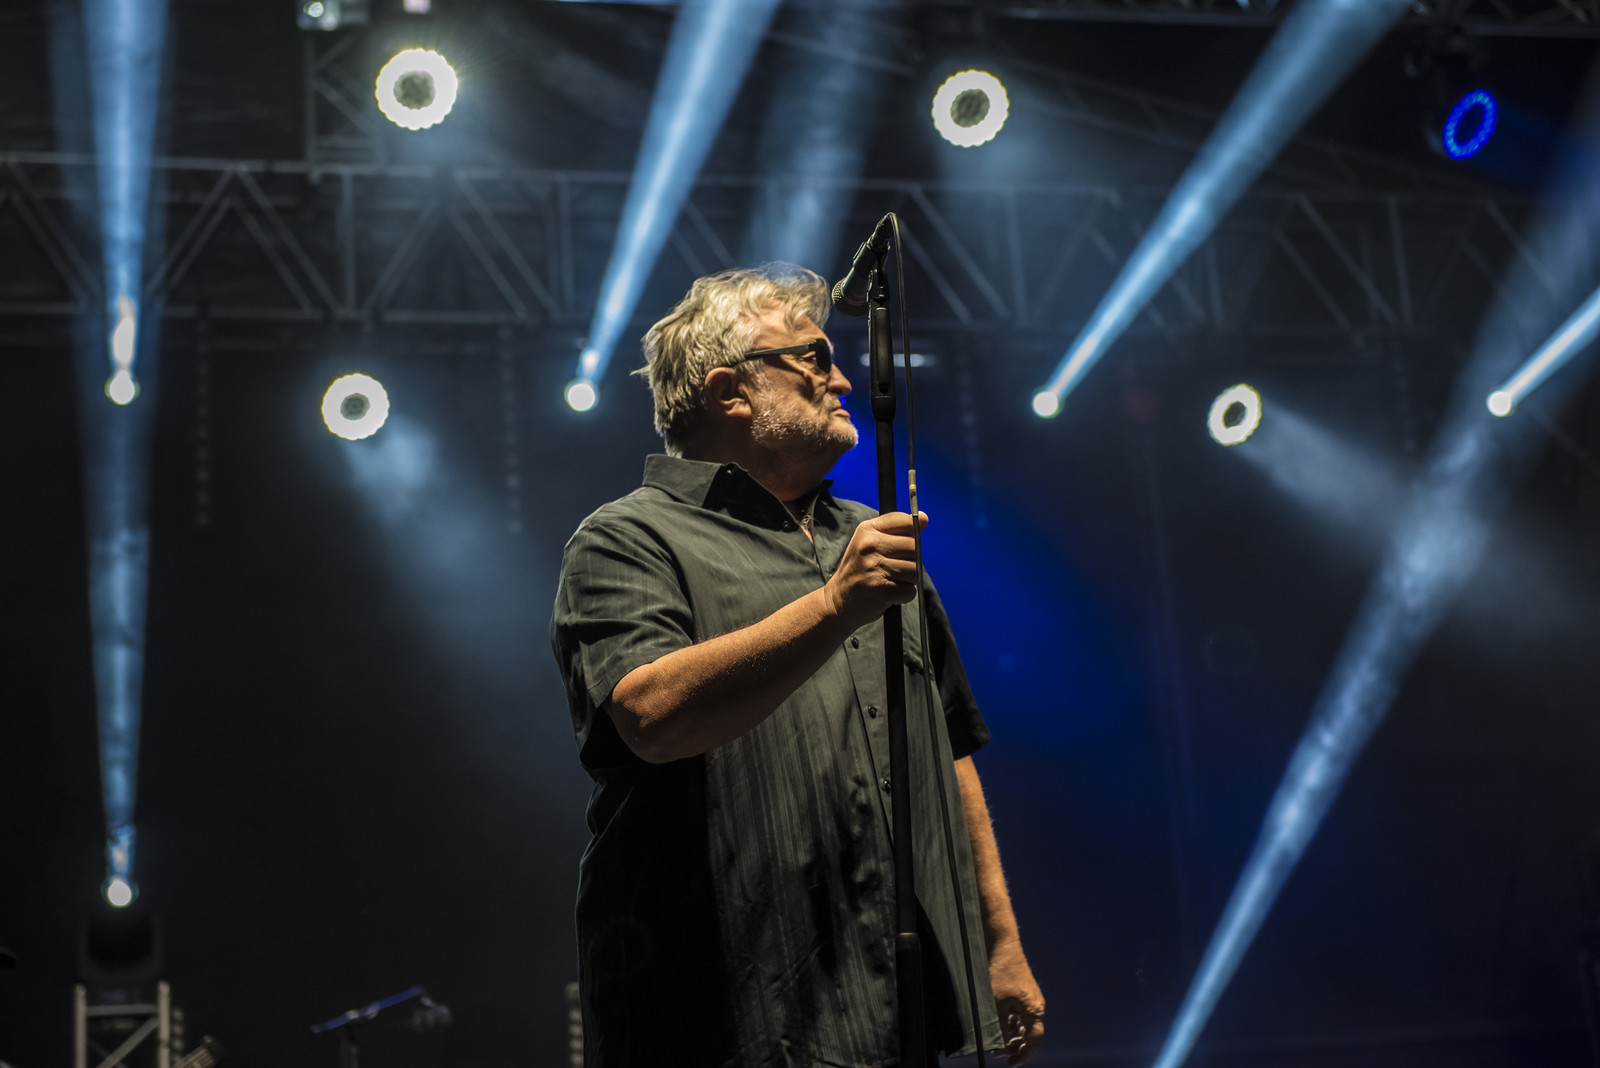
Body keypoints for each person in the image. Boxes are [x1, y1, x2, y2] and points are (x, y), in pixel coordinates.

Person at [550, 264, 1045, 1068]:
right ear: (730, 391)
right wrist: (835, 605)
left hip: (895, 1007)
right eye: (813, 358)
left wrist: (1000, 942)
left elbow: (948, 746)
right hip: (720, 1017)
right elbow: (651, 717)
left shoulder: (870, 539)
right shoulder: (626, 538)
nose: (842, 380)